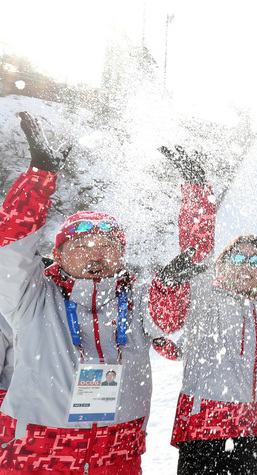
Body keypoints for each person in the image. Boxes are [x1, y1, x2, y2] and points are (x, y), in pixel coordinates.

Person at [0, 112, 168, 474]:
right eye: (82, 244)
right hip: (39, 452)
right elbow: (8, 247)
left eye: (106, 244)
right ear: (57, 255)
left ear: (122, 254)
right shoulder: (32, 297)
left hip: (117, 453)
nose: (95, 253)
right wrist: (39, 178)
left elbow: (173, 319)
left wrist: (172, 283)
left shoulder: (137, 300)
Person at [148, 146, 257, 475]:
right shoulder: (204, 294)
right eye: (237, 258)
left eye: (256, 261)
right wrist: (197, 191)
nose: (246, 266)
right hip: (206, 423)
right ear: (222, 265)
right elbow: (195, 248)